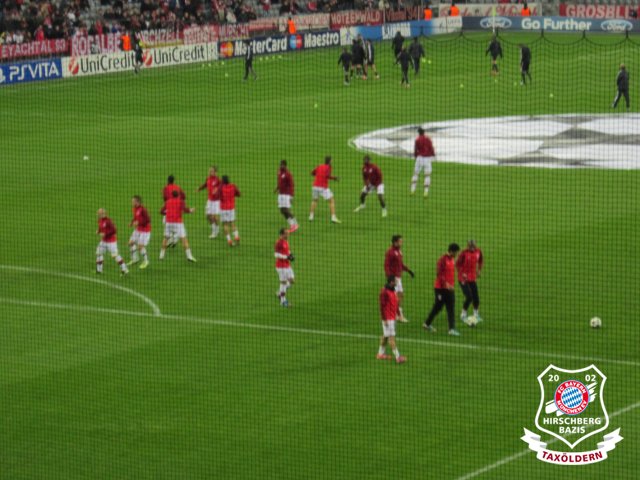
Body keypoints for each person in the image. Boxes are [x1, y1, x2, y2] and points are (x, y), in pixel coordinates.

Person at [423, 243, 461, 336]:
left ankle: (451, 329)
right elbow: (439, 273)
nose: (457, 254)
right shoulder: (443, 259)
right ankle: (426, 324)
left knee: (451, 308)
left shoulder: (452, 259)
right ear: (451, 251)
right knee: (437, 307)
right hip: (440, 289)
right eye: (456, 252)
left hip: (450, 289)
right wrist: (446, 284)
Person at [384, 235, 414, 322]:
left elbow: (400, 264)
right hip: (394, 278)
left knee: (399, 296)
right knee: (396, 296)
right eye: (400, 241)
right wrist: (390, 277)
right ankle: (399, 316)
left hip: (398, 277)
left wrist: (408, 270)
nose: (402, 243)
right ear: (395, 242)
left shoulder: (399, 251)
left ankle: (396, 314)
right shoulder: (390, 252)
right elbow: (386, 265)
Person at [159, 190, 196, 262]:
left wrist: (168, 213)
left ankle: (161, 256)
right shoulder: (181, 201)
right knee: (184, 239)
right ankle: (189, 256)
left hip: (168, 222)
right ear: (178, 195)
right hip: (178, 223)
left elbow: (161, 211)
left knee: (165, 238)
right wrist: (191, 210)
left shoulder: (167, 202)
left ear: (172, 195)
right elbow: (185, 210)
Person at [377, 276, 407, 364]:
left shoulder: (393, 290)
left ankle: (380, 354)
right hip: (388, 319)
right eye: (395, 281)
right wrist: (384, 319)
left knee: (385, 336)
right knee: (391, 338)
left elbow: (396, 303)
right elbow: (382, 306)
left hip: (392, 317)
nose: (397, 282)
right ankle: (398, 357)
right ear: (391, 282)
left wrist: (399, 314)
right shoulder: (384, 292)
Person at [456, 240, 484, 324]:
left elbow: (481, 261)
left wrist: (479, 270)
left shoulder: (478, 251)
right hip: (463, 279)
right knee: (469, 297)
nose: (472, 248)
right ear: (467, 246)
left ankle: (476, 314)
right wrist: (462, 273)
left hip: (472, 278)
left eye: (473, 246)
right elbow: (457, 264)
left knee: (476, 297)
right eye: (470, 246)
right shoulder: (463, 253)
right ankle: (463, 314)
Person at [96, 208, 129, 275]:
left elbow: (114, 230)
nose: (97, 215)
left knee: (115, 255)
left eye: (98, 213)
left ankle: (124, 269)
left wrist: (105, 234)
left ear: (102, 213)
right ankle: (99, 270)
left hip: (111, 242)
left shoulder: (108, 221)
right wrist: (98, 231)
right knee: (99, 253)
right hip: (103, 241)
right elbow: (101, 227)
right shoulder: (100, 220)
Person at [309, 156, 341, 224]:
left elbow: (312, 172)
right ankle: (333, 217)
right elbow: (327, 175)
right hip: (323, 187)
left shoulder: (319, 166)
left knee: (314, 200)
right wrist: (335, 178)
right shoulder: (329, 167)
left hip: (315, 186)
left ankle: (311, 216)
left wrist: (318, 175)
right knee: (331, 201)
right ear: (330, 161)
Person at [197, 166, 221, 239]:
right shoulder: (208, 178)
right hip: (209, 201)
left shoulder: (218, 179)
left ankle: (215, 232)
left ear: (215, 172)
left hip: (216, 201)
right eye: (209, 171)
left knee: (214, 216)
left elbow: (221, 187)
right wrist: (199, 188)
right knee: (208, 216)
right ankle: (216, 227)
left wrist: (217, 189)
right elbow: (205, 184)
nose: (210, 172)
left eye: (212, 171)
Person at [127, 196, 151, 269]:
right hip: (138, 229)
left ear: (137, 202)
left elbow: (148, 220)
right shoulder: (134, 208)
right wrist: (132, 223)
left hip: (145, 231)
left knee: (140, 246)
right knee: (130, 243)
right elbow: (135, 217)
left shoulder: (143, 209)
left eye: (133, 201)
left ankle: (146, 261)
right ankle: (135, 259)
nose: (132, 202)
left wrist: (138, 223)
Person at [275, 160, 298, 233]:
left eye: (282, 165)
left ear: (285, 166)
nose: (281, 166)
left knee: (286, 210)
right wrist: (277, 188)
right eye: (280, 165)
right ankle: (292, 224)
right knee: (282, 211)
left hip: (286, 194)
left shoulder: (288, 174)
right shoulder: (279, 172)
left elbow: (292, 184)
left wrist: (291, 195)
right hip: (280, 194)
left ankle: (295, 224)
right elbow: (279, 181)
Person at [162, 175, 185, 247]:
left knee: (166, 223)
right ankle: (174, 238)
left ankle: (173, 238)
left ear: (168, 180)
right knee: (176, 223)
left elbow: (165, 198)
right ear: (173, 180)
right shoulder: (177, 187)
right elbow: (184, 196)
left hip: (169, 208)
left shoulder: (166, 188)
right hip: (177, 208)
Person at [412, 127, 435, 197]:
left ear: (418, 133)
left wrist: (416, 157)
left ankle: (412, 190)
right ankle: (425, 192)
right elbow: (431, 148)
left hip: (419, 158)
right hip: (427, 159)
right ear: (424, 132)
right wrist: (433, 155)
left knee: (415, 174)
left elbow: (415, 150)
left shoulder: (417, 140)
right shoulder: (428, 139)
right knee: (427, 175)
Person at [274, 228, 295, 307]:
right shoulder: (279, 243)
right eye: (286, 233)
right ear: (282, 234)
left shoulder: (286, 241)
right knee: (283, 283)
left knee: (292, 281)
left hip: (287, 265)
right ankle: (283, 301)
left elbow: (287, 250)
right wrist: (286, 257)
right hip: (281, 267)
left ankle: (280, 292)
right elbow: (276, 255)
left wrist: (290, 254)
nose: (288, 234)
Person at [220, 175, 241, 246]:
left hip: (223, 208)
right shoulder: (233, 186)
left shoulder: (221, 188)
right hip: (231, 208)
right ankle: (236, 236)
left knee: (225, 224)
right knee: (232, 223)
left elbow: (217, 195)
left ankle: (229, 240)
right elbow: (239, 194)